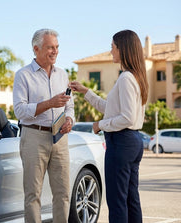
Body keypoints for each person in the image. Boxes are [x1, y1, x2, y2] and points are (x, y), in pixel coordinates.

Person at [70, 29, 148, 223]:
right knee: (131, 199)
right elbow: (110, 108)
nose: (110, 51)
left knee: (117, 201)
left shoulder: (126, 78)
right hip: (132, 142)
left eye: (112, 47)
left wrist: (100, 125)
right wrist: (85, 91)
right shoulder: (136, 77)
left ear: (123, 49)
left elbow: (127, 117)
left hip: (122, 142)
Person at [13, 28, 75, 223]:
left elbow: (69, 106)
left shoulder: (62, 74)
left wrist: (69, 120)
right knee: (33, 195)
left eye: (56, 47)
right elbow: (20, 111)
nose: (55, 51)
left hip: (60, 139)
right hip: (33, 137)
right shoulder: (23, 75)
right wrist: (49, 103)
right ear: (36, 49)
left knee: (63, 193)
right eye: (50, 47)